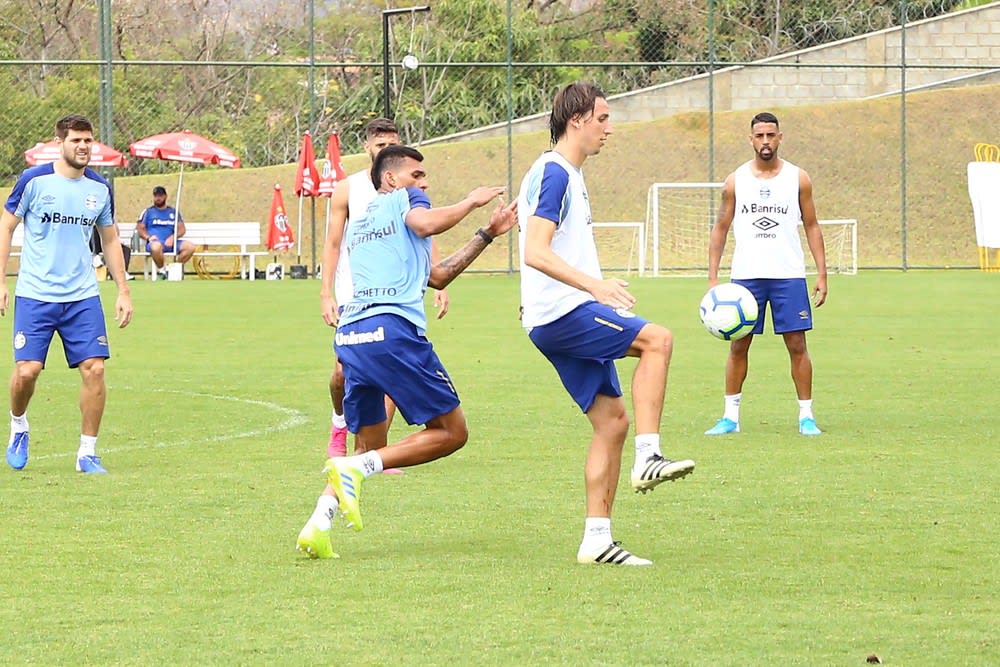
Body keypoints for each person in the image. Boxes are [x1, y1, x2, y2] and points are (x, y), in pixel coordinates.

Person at [297, 144, 517, 559]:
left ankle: (317, 524)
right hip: (392, 333)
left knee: (370, 447)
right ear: (392, 179)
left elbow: (437, 275)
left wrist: (487, 234)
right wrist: (471, 201)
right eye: (418, 175)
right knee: (452, 433)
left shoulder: (363, 222)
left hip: (352, 338)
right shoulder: (406, 202)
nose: (425, 182)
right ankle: (352, 470)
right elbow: (425, 223)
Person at [518, 82, 695, 566]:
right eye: (602, 118)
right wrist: (594, 287)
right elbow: (536, 251)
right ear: (576, 120)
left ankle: (596, 540)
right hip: (563, 312)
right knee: (658, 340)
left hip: (550, 315)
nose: (608, 129)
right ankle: (649, 456)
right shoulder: (555, 173)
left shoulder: (560, 172)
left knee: (612, 422)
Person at [0, 114, 133, 474]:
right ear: (60, 142)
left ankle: (87, 452)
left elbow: (109, 238)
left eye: (88, 140)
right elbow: (7, 224)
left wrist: (123, 289)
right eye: (76, 140)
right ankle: (18, 425)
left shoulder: (99, 188)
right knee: (27, 372)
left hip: (82, 297)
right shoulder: (34, 181)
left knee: (95, 370)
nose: (84, 146)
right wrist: (1, 281)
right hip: (35, 294)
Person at [321, 118, 448, 462]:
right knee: (340, 375)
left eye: (391, 144)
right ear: (367, 148)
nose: (385, 150)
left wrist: (437, 283)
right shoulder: (349, 188)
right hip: (355, 293)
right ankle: (339, 425)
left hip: (394, 290)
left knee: (387, 373)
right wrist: (326, 293)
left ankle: (375, 453)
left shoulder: (408, 193)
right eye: (380, 146)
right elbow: (333, 243)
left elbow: (423, 233)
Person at [704, 111, 827, 437]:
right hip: (746, 278)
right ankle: (730, 417)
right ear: (751, 139)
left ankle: (806, 417)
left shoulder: (798, 179)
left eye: (771, 135)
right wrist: (713, 278)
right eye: (759, 136)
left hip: (788, 275)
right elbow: (720, 228)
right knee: (738, 346)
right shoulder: (736, 181)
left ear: (780, 137)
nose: (765, 142)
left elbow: (812, 226)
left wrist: (822, 273)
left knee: (797, 344)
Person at [136, 185, 196, 279]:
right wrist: (148, 237)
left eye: (160, 195)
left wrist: (173, 237)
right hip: (155, 242)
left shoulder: (173, 212)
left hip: (171, 242)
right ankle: (162, 270)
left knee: (190, 247)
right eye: (156, 196)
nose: (158, 198)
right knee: (156, 247)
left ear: (165, 196)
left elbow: (182, 229)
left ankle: (174, 268)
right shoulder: (148, 212)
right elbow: (140, 228)